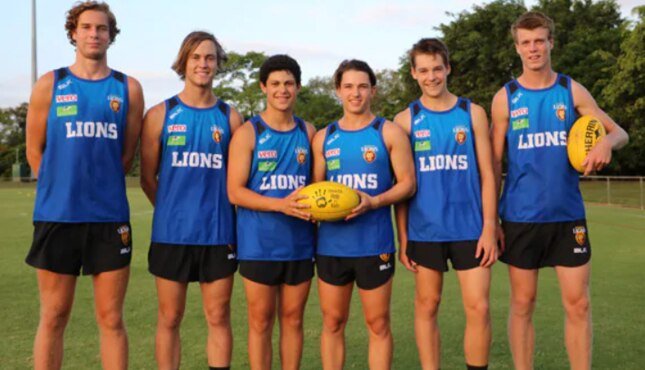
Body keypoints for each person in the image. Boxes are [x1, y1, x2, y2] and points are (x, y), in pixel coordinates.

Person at [490, 11, 629, 370]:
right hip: (520, 216)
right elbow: (491, 165)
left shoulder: (571, 89)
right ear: (517, 48)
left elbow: (619, 132)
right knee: (523, 304)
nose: (533, 48)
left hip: (567, 214)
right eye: (526, 42)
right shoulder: (506, 98)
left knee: (578, 304)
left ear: (551, 42)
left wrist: (605, 145)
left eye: (539, 40)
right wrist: (491, 220)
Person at [24, 2, 143, 369]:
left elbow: (126, 157)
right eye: (87, 27)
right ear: (73, 33)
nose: (95, 34)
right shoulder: (51, 83)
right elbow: (34, 150)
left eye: (102, 28)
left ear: (111, 35)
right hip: (58, 216)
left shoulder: (128, 89)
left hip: (109, 219)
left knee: (111, 319)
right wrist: (63, 188)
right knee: (54, 317)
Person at [393, 38, 497, 370]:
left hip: (471, 228)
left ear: (448, 67)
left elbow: (488, 175)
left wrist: (490, 228)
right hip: (426, 230)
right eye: (423, 70)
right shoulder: (405, 121)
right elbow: (403, 186)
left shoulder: (472, 113)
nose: (432, 76)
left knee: (478, 307)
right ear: (413, 73)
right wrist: (404, 237)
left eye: (437, 68)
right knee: (427, 305)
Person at [140, 31, 242, 370]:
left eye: (210, 58)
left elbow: (237, 179)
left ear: (218, 64)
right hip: (172, 234)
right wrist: (174, 210)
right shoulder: (160, 114)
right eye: (196, 57)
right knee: (170, 317)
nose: (203, 64)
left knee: (218, 315)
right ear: (184, 61)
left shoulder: (230, 117)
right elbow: (147, 178)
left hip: (218, 234)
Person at [311, 59, 415, 370]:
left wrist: (375, 201)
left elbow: (408, 184)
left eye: (362, 86)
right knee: (332, 322)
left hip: (375, 244)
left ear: (373, 90)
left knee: (378, 323)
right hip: (331, 246)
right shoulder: (323, 137)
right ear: (338, 91)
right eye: (348, 87)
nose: (355, 93)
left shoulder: (389, 132)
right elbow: (316, 189)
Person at [227, 54, 316, 370]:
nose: (283, 90)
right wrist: (281, 204)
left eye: (289, 83)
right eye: (275, 83)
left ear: (298, 87)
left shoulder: (308, 131)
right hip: (259, 244)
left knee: (293, 320)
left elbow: (317, 187)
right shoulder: (249, 132)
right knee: (261, 322)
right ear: (264, 87)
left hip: (300, 245)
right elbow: (235, 192)